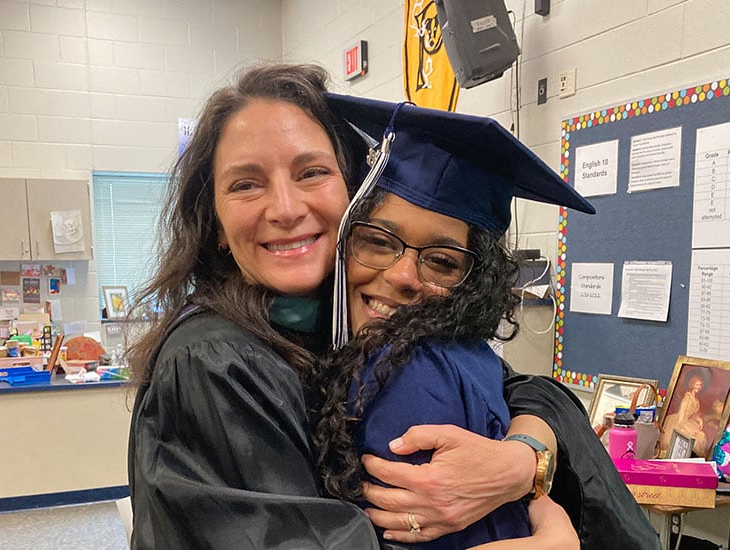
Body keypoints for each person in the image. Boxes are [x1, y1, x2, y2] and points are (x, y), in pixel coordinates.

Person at [127, 62, 576, 549]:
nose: (285, 208)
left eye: (312, 172)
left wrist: (524, 458)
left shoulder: (353, 331)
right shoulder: (214, 362)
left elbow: (527, 393)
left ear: (354, 190)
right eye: (245, 184)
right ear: (213, 223)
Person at [317, 93, 661, 550]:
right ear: (345, 236)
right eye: (379, 241)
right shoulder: (446, 353)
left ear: (473, 279)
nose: (401, 276)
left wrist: (526, 462)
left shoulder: (407, 374)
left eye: (440, 260)